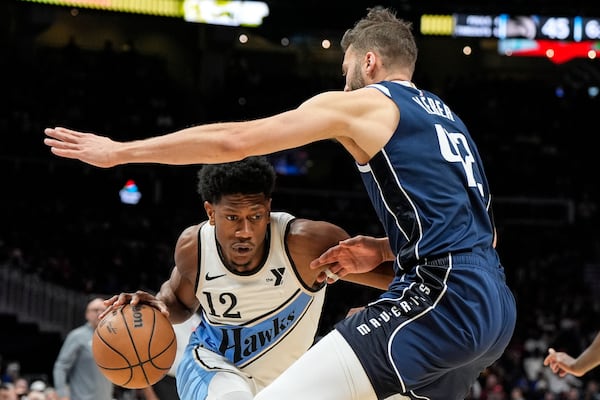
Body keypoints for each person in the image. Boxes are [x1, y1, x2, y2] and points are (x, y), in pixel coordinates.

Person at [44, 7, 517, 400]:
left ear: (369, 62)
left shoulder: (368, 102)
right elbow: (482, 232)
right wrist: (382, 247)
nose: (345, 81)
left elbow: (238, 140)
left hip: (441, 296)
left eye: (347, 69)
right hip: (495, 306)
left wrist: (121, 152)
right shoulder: (448, 118)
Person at [97, 156, 393, 400]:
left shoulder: (306, 244)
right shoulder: (195, 248)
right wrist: (155, 306)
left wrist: (386, 305)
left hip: (286, 379)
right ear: (211, 213)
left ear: (268, 210)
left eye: (255, 216)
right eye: (232, 218)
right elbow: (177, 301)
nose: (245, 231)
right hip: (213, 365)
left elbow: (403, 276)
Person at [53, 297, 113, 400]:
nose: (99, 313)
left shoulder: (112, 337)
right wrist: (62, 395)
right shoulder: (77, 336)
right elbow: (61, 367)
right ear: (87, 314)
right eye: (95, 310)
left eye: (103, 310)